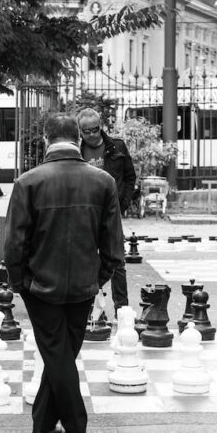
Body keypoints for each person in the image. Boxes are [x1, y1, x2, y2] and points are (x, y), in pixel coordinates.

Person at [3, 113, 124, 433]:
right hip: (84, 285)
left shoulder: (27, 182)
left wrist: (19, 283)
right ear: (78, 139)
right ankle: (42, 427)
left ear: (45, 139)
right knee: (62, 355)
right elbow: (114, 246)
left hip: (40, 287)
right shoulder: (103, 182)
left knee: (57, 356)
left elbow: (12, 245)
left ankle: (75, 427)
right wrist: (99, 277)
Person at [76, 108, 136, 310]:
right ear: (80, 131)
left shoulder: (116, 147)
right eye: (86, 131)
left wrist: (124, 204)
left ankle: (122, 309)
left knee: (117, 261)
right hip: (87, 214)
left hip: (112, 212)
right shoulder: (77, 152)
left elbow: (129, 177)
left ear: (100, 126)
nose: (92, 134)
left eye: (95, 129)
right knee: (88, 261)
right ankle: (90, 307)